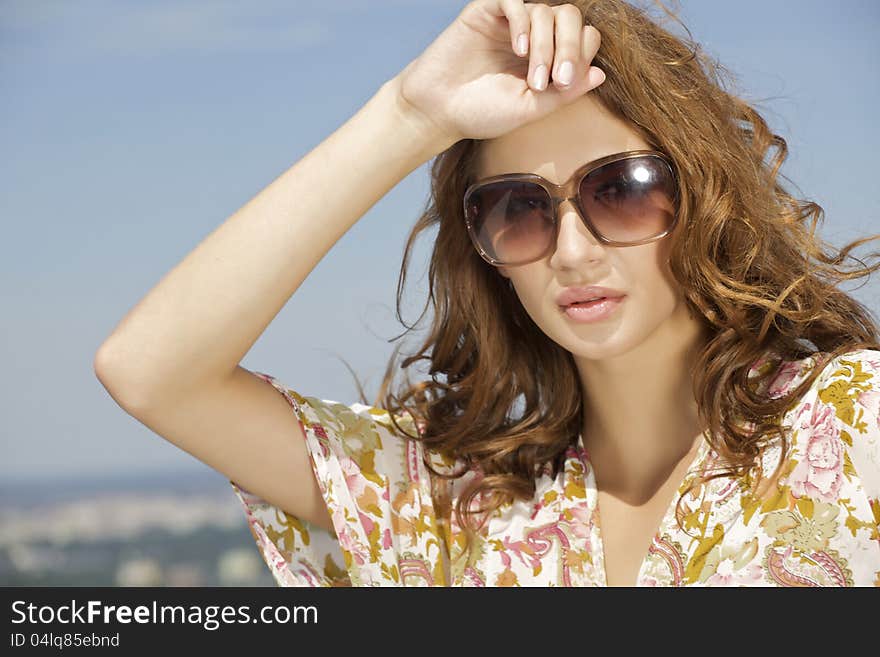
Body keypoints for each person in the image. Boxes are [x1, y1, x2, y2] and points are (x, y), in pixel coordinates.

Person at [94, 0, 880, 587]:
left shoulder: (852, 427)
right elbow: (151, 370)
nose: (573, 251)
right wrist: (408, 113)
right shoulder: (456, 508)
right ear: (486, 252)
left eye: (622, 190)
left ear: (701, 195)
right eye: (519, 210)